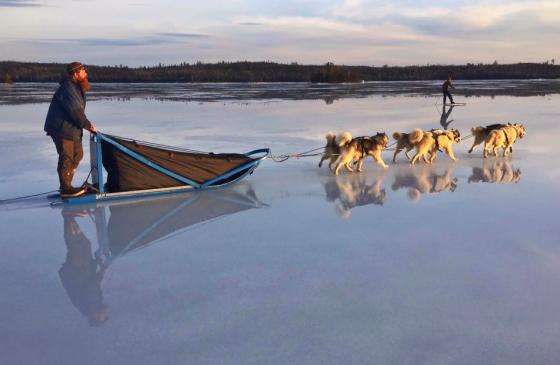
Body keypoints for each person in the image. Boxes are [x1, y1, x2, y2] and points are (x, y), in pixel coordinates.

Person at [44, 62, 97, 198]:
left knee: (77, 155)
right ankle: (65, 188)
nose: (85, 73)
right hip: (61, 128)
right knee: (67, 157)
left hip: (71, 128)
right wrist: (88, 125)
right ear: (75, 73)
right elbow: (75, 111)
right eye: (83, 70)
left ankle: (67, 185)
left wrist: (84, 125)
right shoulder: (68, 88)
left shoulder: (76, 86)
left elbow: (77, 111)